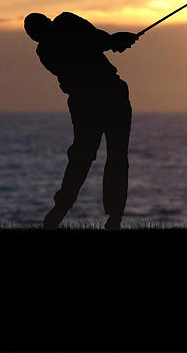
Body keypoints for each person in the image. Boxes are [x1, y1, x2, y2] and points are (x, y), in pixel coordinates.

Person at [24, 11, 139, 230]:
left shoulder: (48, 46)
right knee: (103, 156)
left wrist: (114, 41)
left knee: (90, 156)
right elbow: (94, 42)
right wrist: (115, 41)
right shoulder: (50, 44)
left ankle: (105, 216)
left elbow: (95, 41)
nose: (37, 37)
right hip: (101, 97)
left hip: (90, 101)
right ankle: (107, 216)